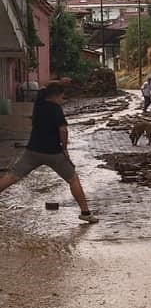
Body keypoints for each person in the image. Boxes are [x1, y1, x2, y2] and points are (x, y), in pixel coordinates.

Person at [0, 82, 98, 223]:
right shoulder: (55, 109)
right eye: (62, 97)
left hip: (32, 151)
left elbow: (42, 90)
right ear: (56, 96)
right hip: (54, 153)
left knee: (12, 176)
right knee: (73, 179)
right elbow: (63, 130)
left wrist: (53, 86)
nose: (63, 100)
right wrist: (64, 148)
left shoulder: (39, 104)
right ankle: (85, 213)